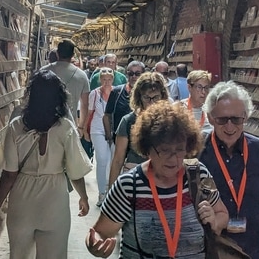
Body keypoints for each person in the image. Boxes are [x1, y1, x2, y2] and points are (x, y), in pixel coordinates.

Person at [86, 101, 229, 258]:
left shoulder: (198, 175)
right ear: (147, 149)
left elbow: (222, 213)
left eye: (180, 150)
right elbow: (99, 233)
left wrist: (215, 221)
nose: (173, 159)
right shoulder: (129, 186)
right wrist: (96, 245)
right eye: (165, 150)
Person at [0, 70, 93, 259]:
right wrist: (83, 197)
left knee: (19, 254)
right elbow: (75, 171)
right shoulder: (65, 127)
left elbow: (9, 174)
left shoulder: (16, 126)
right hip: (54, 199)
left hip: (22, 199)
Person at [199, 80, 259, 259]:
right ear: (211, 117)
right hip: (212, 249)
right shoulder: (196, 152)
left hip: (254, 249)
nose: (229, 127)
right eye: (222, 120)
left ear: (245, 116)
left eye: (236, 119)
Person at [108, 72, 170, 188]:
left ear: (162, 96)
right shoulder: (128, 120)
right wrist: (110, 192)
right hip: (134, 177)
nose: (151, 102)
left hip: (162, 177)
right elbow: (118, 160)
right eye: (147, 97)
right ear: (139, 97)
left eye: (155, 97)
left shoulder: (170, 120)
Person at [40, 38, 89, 132]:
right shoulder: (81, 76)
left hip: (45, 125)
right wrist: (81, 126)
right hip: (69, 127)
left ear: (57, 53)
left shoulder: (44, 71)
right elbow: (85, 104)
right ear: (73, 55)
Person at [84, 67, 114, 206]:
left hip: (113, 130)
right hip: (98, 128)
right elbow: (90, 113)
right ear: (100, 80)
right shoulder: (95, 94)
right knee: (102, 159)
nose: (107, 82)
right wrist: (85, 130)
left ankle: (110, 190)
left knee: (111, 160)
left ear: (112, 79)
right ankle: (102, 193)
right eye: (104, 79)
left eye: (109, 79)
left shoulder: (117, 92)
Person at [103, 60, 145, 146]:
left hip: (141, 141)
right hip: (119, 140)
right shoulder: (117, 91)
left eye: (137, 74)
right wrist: (109, 136)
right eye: (131, 74)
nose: (134, 77)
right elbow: (107, 115)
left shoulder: (148, 94)